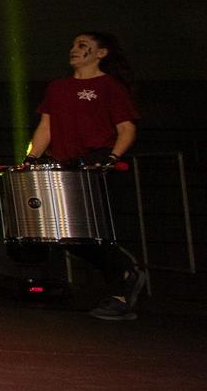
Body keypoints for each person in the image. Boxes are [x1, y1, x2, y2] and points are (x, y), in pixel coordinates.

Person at [22, 30, 144, 321]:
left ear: (101, 53)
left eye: (83, 45)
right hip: (64, 165)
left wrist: (112, 158)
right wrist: (29, 159)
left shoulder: (108, 86)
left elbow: (127, 129)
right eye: (74, 44)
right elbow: (45, 128)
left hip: (95, 163)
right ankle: (124, 274)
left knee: (95, 231)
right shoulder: (58, 88)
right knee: (66, 235)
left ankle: (122, 287)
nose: (74, 49)